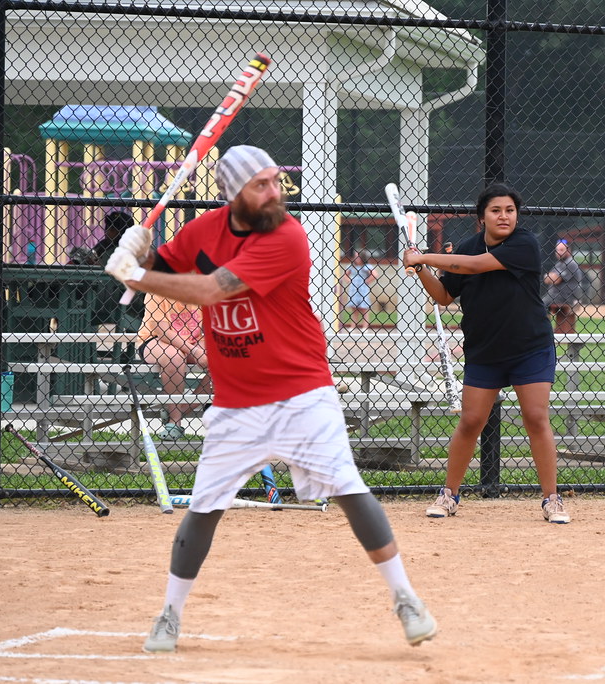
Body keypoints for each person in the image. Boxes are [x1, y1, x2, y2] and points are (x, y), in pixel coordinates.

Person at [104, 145, 436, 652]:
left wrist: (135, 274)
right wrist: (137, 246)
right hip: (237, 402)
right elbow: (167, 262)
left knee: (348, 488)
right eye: (261, 184)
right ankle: (169, 613)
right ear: (232, 194)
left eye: (276, 181)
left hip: (301, 393)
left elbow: (213, 289)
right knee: (204, 507)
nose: (275, 192)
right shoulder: (202, 231)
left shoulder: (287, 237)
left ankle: (406, 598)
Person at [403, 183, 571, 524]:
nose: (504, 216)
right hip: (485, 351)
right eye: (496, 210)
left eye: (509, 210)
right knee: (471, 421)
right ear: (482, 218)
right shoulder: (467, 247)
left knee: (536, 418)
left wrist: (424, 256)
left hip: (530, 348)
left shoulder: (524, 244)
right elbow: (444, 296)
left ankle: (552, 499)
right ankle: (449, 495)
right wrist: (421, 270)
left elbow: (475, 266)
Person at [136, 292, 211, 440]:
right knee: (174, 357)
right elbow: (162, 332)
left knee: (224, 357)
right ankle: (175, 420)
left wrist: (203, 345)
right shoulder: (156, 290)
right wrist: (194, 351)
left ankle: (182, 409)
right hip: (155, 340)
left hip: (192, 342)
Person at [543, 238, 584, 334]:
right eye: (557, 250)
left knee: (541, 304)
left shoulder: (571, 263)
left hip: (568, 297)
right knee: (541, 303)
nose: (559, 252)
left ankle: (546, 330)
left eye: (561, 250)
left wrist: (551, 277)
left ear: (568, 250)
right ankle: (547, 329)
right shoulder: (559, 263)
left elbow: (556, 280)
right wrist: (550, 277)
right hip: (556, 295)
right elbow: (546, 279)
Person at [342, 250, 376, 328]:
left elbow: (374, 274)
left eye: (358, 257)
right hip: (353, 289)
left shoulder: (367, 266)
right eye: (355, 257)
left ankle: (365, 327)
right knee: (354, 308)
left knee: (364, 308)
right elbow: (345, 275)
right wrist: (349, 281)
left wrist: (367, 281)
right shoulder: (352, 266)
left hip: (363, 289)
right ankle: (353, 326)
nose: (356, 259)